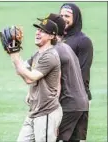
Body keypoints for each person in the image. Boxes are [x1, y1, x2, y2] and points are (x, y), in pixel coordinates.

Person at [9, 19, 63, 142]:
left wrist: (15, 54)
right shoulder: (37, 54)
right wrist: (13, 51)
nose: (37, 33)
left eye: (43, 31)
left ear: (51, 36)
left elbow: (31, 77)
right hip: (34, 112)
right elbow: (22, 71)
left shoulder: (50, 56)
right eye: (38, 30)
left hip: (46, 113)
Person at [46, 13, 89, 142]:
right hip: (80, 103)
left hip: (69, 104)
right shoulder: (66, 47)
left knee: (56, 138)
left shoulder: (56, 50)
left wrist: (14, 54)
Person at [59, 3, 93, 103]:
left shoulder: (83, 41)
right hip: (59, 94)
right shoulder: (57, 38)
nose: (63, 19)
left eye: (67, 16)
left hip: (76, 97)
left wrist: (81, 96)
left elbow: (84, 71)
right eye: (61, 16)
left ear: (76, 18)